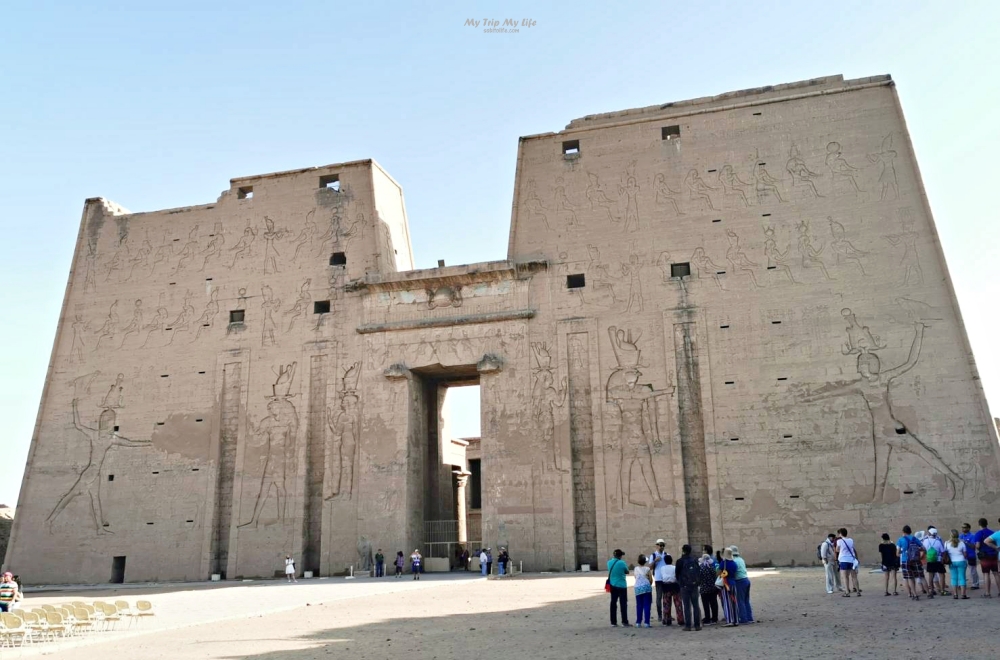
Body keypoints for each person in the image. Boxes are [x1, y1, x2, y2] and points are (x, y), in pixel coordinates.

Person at [676, 544, 702, 631]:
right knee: (695, 605)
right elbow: (698, 571)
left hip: (684, 586)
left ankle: (688, 625)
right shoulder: (694, 560)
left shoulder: (680, 561)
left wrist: (681, 582)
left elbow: (677, 574)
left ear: (683, 550)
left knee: (687, 606)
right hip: (694, 585)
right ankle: (697, 625)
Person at [896, 525, 925, 600]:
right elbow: (923, 548)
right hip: (915, 559)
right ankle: (928, 593)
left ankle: (913, 594)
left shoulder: (900, 540)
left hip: (905, 560)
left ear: (903, 532)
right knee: (921, 576)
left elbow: (897, 553)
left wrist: (903, 553)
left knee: (908, 578)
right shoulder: (914, 538)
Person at [974, 518, 998, 598]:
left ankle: (987, 593)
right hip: (993, 554)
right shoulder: (992, 532)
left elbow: (977, 545)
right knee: (996, 573)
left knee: (986, 574)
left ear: (979, 524)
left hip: (984, 556)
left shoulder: (979, 533)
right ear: (987, 523)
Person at [730, 546, 754, 623]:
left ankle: (743, 618)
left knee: (740, 601)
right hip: (746, 580)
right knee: (746, 600)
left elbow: (732, 572)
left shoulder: (733, 561)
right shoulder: (741, 559)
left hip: (739, 581)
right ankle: (749, 617)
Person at [607, 549, 630, 627]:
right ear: (620, 556)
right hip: (622, 585)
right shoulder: (622, 563)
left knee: (613, 603)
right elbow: (627, 571)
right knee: (623, 604)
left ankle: (613, 622)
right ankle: (624, 621)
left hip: (613, 585)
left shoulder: (609, 562)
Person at [945, 529, 970, 600]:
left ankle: (955, 594)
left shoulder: (946, 543)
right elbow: (965, 554)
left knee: (954, 578)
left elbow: (945, 553)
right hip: (961, 561)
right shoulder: (961, 543)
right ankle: (963, 594)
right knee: (962, 577)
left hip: (952, 562)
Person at [718, 548, 740, 627]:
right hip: (733, 583)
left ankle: (730, 620)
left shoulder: (723, 563)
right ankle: (736, 620)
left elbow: (719, 573)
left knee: (727, 602)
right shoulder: (734, 563)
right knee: (734, 602)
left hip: (726, 584)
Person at [923, 527, 948, 596]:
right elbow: (942, 552)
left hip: (930, 560)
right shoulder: (938, 541)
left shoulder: (925, 541)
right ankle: (942, 590)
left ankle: (932, 590)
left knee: (931, 576)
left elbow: (924, 550)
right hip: (938, 560)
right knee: (942, 575)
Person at [659, 554, 683, 626]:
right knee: (678, 604)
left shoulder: (662, 568)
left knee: (666, 604)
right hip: (675, 585)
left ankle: (667, 620)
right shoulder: (674, 567)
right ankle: (680, 620)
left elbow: (662, 576)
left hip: (666, 586)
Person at [836, 528, 860, 596]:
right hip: (851, 560)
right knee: (854, 576)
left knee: (845, 577)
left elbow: (837, 549)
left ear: (840, 533)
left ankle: (847, 592)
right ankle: (858, 591)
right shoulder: (851, 540)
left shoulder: (839, 541)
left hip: (843, 560)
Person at [650, 539, 668, 623]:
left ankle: (667, 614)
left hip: (666, 579)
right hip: (658, 578)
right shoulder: (653, 555)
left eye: (663, 545)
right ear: (656, 545)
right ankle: (660, 615)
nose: (661, 547)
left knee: (667, 597)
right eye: (660, 545)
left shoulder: (667, 554)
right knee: (659, 597)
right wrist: (655, 561)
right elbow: (650, 567)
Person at [699, 551, 719, 625]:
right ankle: (714, 618)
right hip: (712, 588)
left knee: (706, 604)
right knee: (714, 603)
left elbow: (699, 578)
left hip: (704, 588)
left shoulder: (701, 568)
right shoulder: (712, 567)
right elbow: (715, 576)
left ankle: (707, 618)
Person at [633, 554, 653, 628]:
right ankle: (647, 623)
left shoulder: (635, 569)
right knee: (647, 605)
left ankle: (638, 622)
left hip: (638, 588)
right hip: (646, 587)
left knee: (639, 605)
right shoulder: (647, 569)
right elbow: (651, 579)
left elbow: (635, 577)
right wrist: (649, 583)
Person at [959, 522, 980, 590]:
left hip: (971, 555)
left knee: (973, 571)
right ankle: (961, 583)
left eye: (964, 527)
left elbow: (973, 546)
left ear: (968, 528)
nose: (963, 529)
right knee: (961, 571)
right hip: (962, 556)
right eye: (962, 527)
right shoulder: (960, 536)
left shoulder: (972, 536)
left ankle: (975, 584)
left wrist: (965, 542)